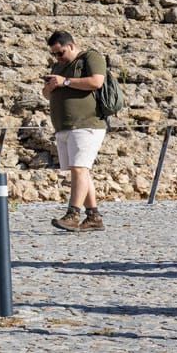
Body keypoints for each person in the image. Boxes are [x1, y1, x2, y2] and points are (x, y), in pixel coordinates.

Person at [42, 31, 108, 232]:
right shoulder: (58, 66)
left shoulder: (90, 57)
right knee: (80, 170)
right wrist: (52, 85)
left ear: (70, 45)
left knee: (79, 168)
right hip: (65, 126)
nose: (57, 57)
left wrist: (66, 82)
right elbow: (45, 94)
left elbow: (97, 81)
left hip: (86, 124)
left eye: (60, 52)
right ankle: (93, 216)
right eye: (54, 54)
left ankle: (73, 214)